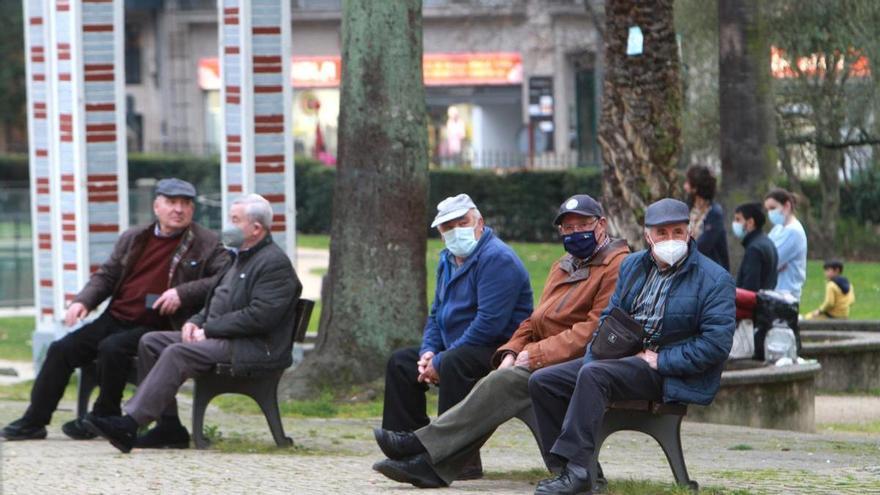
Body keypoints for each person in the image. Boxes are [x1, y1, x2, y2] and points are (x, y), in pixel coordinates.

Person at [371, 194, 630, 488]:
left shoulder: (616, 265)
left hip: (578, 360)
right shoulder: (565, 264)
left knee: (495, 382)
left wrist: (534, 354)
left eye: (583, 225)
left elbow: (594, 330)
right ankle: (431, 466)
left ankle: (419, 445)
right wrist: (511, 352)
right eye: (567, 228)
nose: (575, 233)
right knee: (484, 376)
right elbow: (534, 320)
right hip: (540, 355)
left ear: (602, 225)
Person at [528, 198, 735, 494]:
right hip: (622, 360)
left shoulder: (715, 279)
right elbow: (608, 320)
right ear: (648, 235)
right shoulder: (634, 266)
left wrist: (660, 360)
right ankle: (570, 470)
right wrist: (592, 358)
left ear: (689, 233)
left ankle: (576, 474)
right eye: (662, 233)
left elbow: (715, 345)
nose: (671, 240)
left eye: (678, 232)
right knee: (543, 381)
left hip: (669, 371)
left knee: (594, 376)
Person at [0, 179, 230, 442]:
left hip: (159, 324)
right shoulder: (134, 237)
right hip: (116, 316)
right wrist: (83, 301)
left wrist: (182, 292)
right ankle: (34, 421)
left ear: (192, 209)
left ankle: (103, 416)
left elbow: (224, 279)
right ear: (157, 206)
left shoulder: (207, 243)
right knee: (61, 349)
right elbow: (107, 276)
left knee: (113, 347)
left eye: (185, 204)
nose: (178, 209)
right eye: (171, 202)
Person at [83, 194, 302, 452]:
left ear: (255, 229)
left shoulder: (273, 263)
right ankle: (168, 427)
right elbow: (214, 301)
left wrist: (208, 330)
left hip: (252, 346)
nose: (227, 227)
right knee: (152, 342)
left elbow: (260, 316)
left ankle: (129, 423)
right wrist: (195, 321)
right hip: (225, 338)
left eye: (235, 220)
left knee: (177, 352)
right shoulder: (237, 257)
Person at [381, 193, 533, 479]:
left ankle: (456, 460)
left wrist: (441, 359)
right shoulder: (448, 259)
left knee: (454, 363)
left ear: (479, 222)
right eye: (447, 227)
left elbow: (489, 323)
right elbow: (437, 314)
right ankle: (409, 448)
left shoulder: (497, 259)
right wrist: (429, 352)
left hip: (500, 350)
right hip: (459, 346)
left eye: (461, 223)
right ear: (440, 233)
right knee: (401, 362)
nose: (455, 231)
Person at [764, 188, 808, 300]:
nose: (770, 213)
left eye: (773, 208)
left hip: (786, 295)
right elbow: (764, 256)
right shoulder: (778, 229)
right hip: (773, 293)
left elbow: (771, 263)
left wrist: (772, 265)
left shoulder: (793, 232)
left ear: (786, 206)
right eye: (767, 209)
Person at [684, 165, 729, 270]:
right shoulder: (687, 209)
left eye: (687, 183)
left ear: (695, 188)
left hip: (710, 274)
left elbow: (702, 247)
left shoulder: (714, 214)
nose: (684, 187)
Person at [731, 202, 778, 291]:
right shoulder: (768, 242)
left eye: (738, 220)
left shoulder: (754, 249)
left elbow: (749, 289)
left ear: (750, 222)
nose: (734, 223)